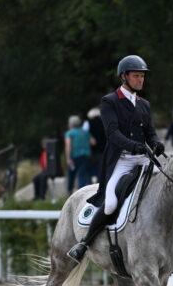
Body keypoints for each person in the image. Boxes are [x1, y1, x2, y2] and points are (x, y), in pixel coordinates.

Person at [67, 55, 163, 263]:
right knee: (110, 204)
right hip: (121, 160)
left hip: (143, 158)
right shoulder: (110, 102)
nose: (140, 80)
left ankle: (170, 252)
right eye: (136, 76)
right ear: (124, 77)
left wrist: (156, 143)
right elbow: (113, 134)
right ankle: (84, 243)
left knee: (165, 191)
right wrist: (134, 146)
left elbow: (150, 133)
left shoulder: (144, 105)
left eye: (142, 76)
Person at [64, 115, 94, 193]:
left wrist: (68, 158)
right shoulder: (85, 132)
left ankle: (70, 192)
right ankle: (86, 191)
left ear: (70, 124)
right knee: (84, 173)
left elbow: (68, 146)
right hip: (86, 155)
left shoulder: (69, 133)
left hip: (75, 156)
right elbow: (93, 142)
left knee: (72, 174)